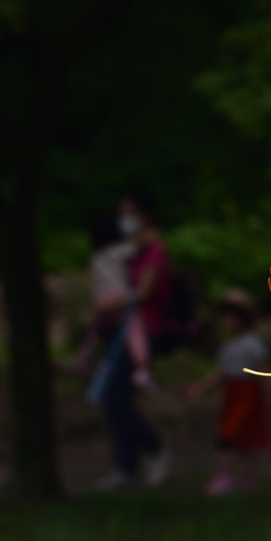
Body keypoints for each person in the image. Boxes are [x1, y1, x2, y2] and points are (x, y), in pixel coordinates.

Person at [95, 189, 173, 490]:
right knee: (115, 397)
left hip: (145, 332)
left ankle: (155, 449)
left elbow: (146, 292)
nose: (124, 219)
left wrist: (111, 303)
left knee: (115, 399)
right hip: (125, 332)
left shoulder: (155, 250)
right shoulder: (133, 250)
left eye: (129, 212)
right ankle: (126, 467)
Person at [186, 289, 271, 495]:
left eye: (232, 315)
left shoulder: (253, 343)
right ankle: (237, 478)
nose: (227, 319)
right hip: (232, 394)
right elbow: (220, 373)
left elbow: (263, 371)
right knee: (232, 434)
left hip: (248, 394)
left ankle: (231, 477)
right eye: (225, 315)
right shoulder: (227, 346)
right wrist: (199, 388)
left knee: (234, 435)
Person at [77, 214, 152, 392]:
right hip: (120, 296)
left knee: (101, 327)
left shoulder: (95, 257)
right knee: (134, 327)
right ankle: (141, 369)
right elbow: (140, 245)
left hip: (99, 301)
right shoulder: (120, 250)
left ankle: (88, 350)